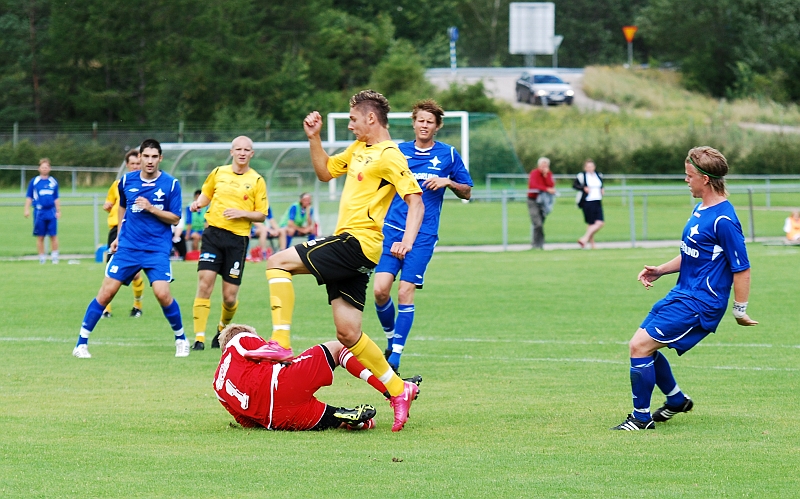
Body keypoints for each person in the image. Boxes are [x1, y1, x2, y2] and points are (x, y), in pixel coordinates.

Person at [259, 90, 425, 432]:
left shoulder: (389, 155)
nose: (349, 125)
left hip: (356, 242)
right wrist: (314, 138)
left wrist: (407, 241)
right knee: (348, 333)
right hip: (357, 250)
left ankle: (281, 342)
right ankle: (399, 389)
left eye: (353, 119)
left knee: (277, 261)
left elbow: (416, 201)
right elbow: (324, 172)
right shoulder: (358, 149)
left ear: (371, 118)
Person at [612, 146, 758, 431]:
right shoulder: (700, 209)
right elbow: (694, 255)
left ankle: (641, 419)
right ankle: (676, 400)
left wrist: (740, 310)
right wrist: (660, 270)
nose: (686, 180)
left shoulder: (724, 220)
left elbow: (742, 267)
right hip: (682, 293)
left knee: (639, 346)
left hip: (701, 302)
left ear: (705, 179)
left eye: (689, 175)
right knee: (643, 346)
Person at [373, 99, 473, 373]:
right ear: (414, 123)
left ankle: (395, 356)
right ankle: (391, 339)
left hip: (423, 234)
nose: (424, 125)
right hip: (393, 230)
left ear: (437, 126)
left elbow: (467, 191)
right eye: (420, 120)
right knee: (380, 290)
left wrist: (448, 182)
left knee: (405, 290)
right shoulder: (398, 152)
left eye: (430, 122)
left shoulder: (448, 154)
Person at [72, 139, 189, 359]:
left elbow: (175, 218)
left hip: (156, 248)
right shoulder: (126, 181)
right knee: (106, 293)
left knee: (162, 294)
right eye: (146, 156)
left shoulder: (171, 184)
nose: (150, 161)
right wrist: (118, 236)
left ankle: (181, 339)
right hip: (129, 247)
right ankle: (81, 344)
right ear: (140, 158)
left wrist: (152, 208)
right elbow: (122, 207)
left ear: (160, 158)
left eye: (154, 157)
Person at [214, 323, 422, 431]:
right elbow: (273, 355)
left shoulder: (217, 385)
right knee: (339, 348)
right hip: (281, 384)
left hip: (277, 419)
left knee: (342, 421)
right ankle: (393, 389)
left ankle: (354, 421)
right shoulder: (240, 338)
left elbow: (246, 422)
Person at [189, 136, 269, 351]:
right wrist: (198, 204)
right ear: (231, 152)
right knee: (204, 284)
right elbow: (206, 195)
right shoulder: (218, 172)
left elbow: (261, 215)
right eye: (238, 149)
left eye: (246, 150)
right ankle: (198, 338)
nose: (242, 153)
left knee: (230, 297)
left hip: (237, 240)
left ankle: (221, 328)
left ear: (252, 154)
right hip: (213, 235)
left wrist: (242, 213)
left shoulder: (257, 180)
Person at [101, 149, 145, 318]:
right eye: (132, 164)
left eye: (137, 163)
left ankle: (137, 306)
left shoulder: (146, 185)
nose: (135, 166)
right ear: (127, 165)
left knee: (135, 273)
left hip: (135, 230)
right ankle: (106, 308)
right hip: (117, 230)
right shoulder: (119, 184)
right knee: (111, 270)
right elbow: (111, 203)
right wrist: (107, 206)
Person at [23, 158, 61, 264]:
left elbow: (56, 198)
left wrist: (58, 210)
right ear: (39, 168)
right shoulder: (34, 182)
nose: (44, 169)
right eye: (43, 167)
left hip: (51, 211)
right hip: (39, 212)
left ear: (50, 168)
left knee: (53, 235)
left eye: (46, 167)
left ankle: (54, 257)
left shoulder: (53, 182)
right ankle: (42, 257)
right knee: (40, 236)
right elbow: (29, 197)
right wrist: (26, 209)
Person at [574, 159, 605, 249]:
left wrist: (602, 189)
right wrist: (584, 188)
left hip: (597, 200)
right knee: (591, 223)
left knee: (600, 222)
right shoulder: (582, 176)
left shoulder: (598, 175)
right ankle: (592, 244)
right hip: (588, 201)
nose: (590, 168)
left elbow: (601, 185)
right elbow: (575, 185)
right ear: (585, 168)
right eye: (588, 167)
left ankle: (584, 239)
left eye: (591, 166)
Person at [527, 157, 556, 249]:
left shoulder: (549, 174)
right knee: (537, 223)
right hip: (533, 200)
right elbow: (534, 185)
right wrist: (546, 189)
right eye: (542, 165)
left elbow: (551, 185)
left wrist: (546, 175)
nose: (544, 167)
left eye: (546, 165)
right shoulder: (534, 173)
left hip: (544, 201)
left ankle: (538, 244)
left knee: (540, 223)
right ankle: (537, 243)